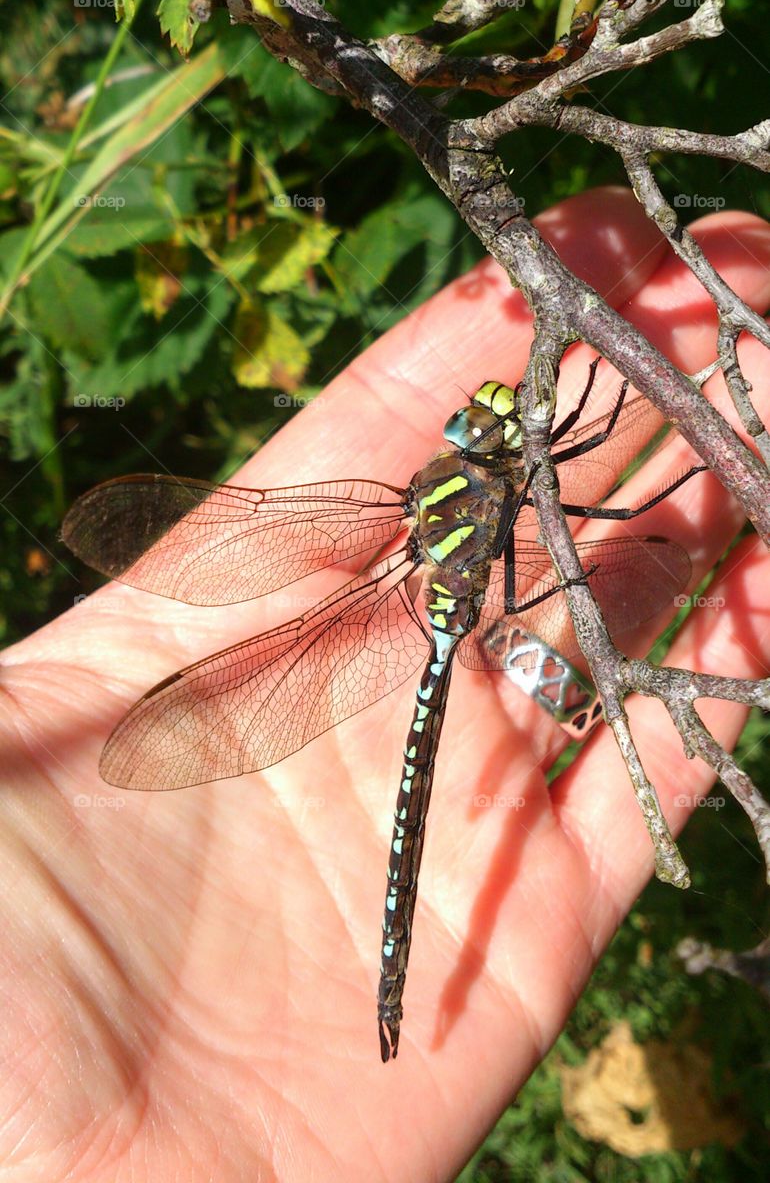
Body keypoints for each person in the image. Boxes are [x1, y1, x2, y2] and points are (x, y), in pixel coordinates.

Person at [2, 187, 769, 1180]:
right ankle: (392, 991)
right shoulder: (495, 489)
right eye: (482, 418)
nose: (489, 416)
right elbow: (577, 485)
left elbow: (562, 490)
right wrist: (599, 421)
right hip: (460, 619)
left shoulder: (458, 489)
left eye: (493, 419)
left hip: (452, 614)